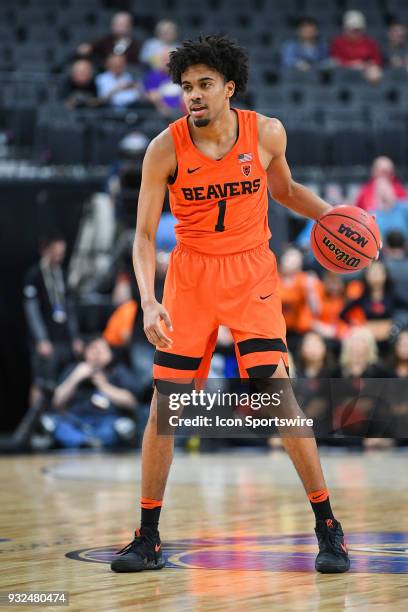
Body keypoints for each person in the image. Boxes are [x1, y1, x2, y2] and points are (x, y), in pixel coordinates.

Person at [110, 35, 350, 574]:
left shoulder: (266, 132)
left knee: (278, 399)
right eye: (186, 87)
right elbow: (145, 236)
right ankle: (147, 536)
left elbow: (285, 191)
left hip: (250, 273)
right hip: (190, 276)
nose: (192, 95)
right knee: (165, 409)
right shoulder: (164, 148)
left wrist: (334, 215)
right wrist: (149, 301)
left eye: (204, 85)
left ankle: (328, 527)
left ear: (229, 87)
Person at [52, 337, 138, 448]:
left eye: (101, 351)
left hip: (106, 422)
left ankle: (87, 442)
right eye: (93, 350)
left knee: (122, 426)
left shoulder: (118, 371)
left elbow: (132, 403)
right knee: (56, 424)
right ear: (85, 353)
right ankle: (85, 442)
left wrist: (104, 386)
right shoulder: (73, 369)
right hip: (75, 421)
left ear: (110, 354)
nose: (97, 355)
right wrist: (75, 378)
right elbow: (57, 402)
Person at [23, 234, 83, 390]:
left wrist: (75, 336)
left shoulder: (62, 273)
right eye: (55, 253)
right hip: (46, 340)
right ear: (45, 251)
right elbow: (32, 310)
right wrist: (41, 339)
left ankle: (60, 414)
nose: (58, 257)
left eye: (61, 254)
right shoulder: (34, 274)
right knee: (41, 382)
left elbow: (69, 308)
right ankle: (36, 414)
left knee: (63, 381)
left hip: (63, 339)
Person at [330, 10, 382, 83]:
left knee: (374, 71)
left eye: (358, 30)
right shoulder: (338, 42)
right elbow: (336, 60)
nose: (355, 32)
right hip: (344, 73)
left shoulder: (370, 42)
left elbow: (377, 59)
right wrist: (352, 64)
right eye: (352, 30)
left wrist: (367, 64)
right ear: (346, 29)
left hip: (365, 73)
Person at [143, 48, 184, 117]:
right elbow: (152, 95)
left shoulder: (181, 75)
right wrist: (163, 108)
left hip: (181, 110)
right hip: (161, 111)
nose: (166, 63)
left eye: (168, 60)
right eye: (163, 59)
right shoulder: (153, 76)